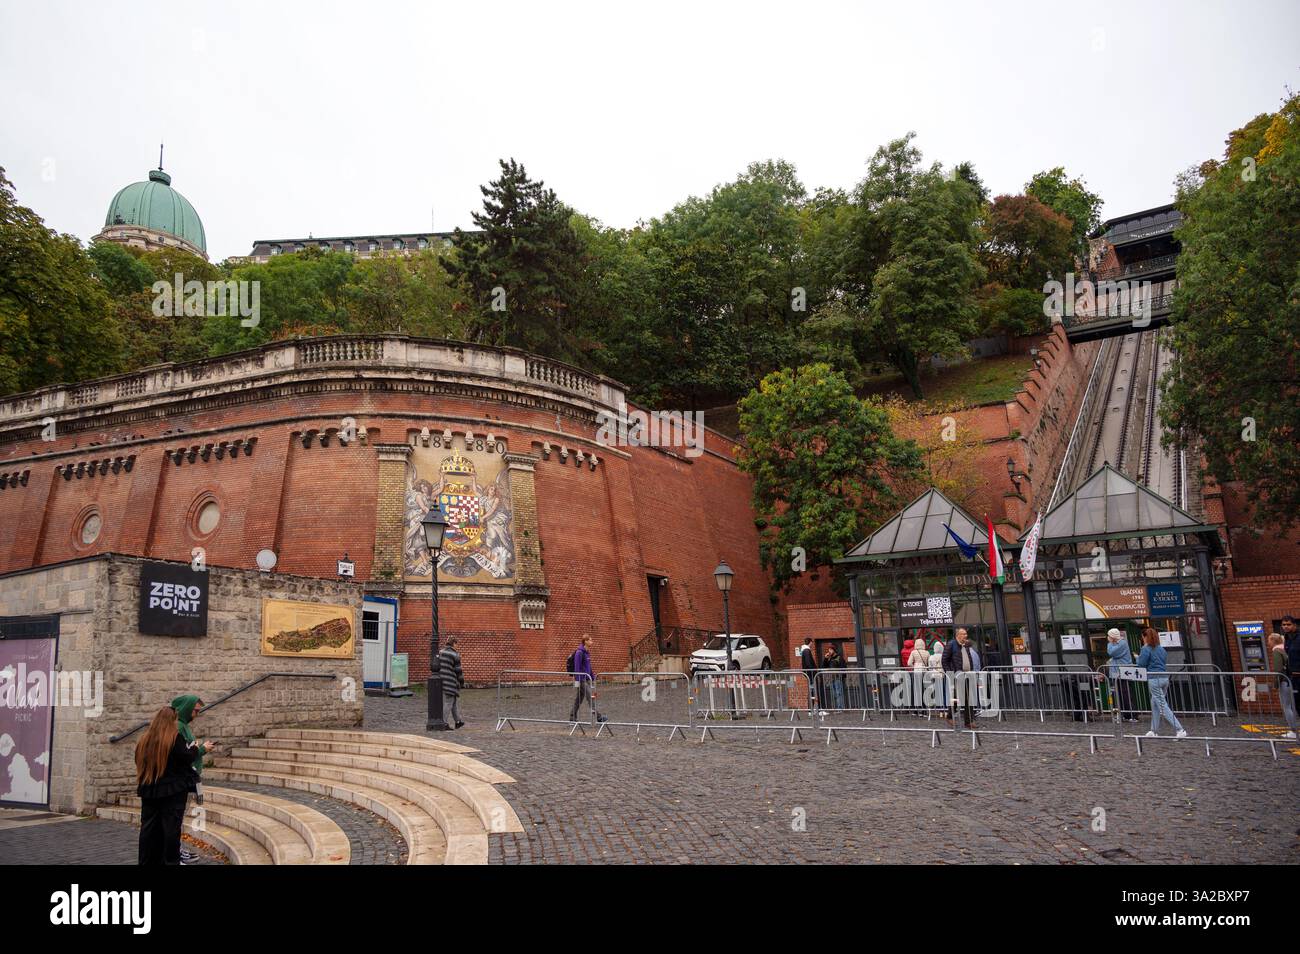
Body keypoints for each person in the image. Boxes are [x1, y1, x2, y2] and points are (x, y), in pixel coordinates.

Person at [135, 706, 210, 865]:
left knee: (149, 828)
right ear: (172, 721)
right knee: (171, 829)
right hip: (172, 791)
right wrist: (196, 748)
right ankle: (170, 861)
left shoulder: (144, 739)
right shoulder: (174, 739)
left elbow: (138, 760)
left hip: (149, 790)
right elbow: (186, 757)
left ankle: (147, 861)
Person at [171, 694, 207, 864]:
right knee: (175, 819)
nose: (197, 714)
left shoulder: (183, 726)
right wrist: (201, 750)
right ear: (186, 709)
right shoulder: (178, 727)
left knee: (178, 818)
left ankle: (176, 850)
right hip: (182, 780)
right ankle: (175, 852)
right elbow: (183, 755)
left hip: (186, 779)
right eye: (195, 710)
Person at [1136, 627, 1187, 739]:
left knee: (1162, 706)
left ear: (1145, 637)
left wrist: (1137, 658)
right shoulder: (1161, 649)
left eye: (1143, 637)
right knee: (1155, 705)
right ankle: (1153, 730)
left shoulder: (1146, 649)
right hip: (1164, 678)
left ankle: (1180, 729)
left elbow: (1141, 664)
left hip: (1154, 679)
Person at [942, 628, 982, 728]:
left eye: (966, 634)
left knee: (970, 698)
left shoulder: (966, 645)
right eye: (963, 634)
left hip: (968, 675)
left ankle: (969, 721)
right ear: (957, 635)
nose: (965, 636)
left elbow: (969, 659)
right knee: (957, 697)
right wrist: (950, 673)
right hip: (957, 675)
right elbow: (944, 660)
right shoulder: (951, 644)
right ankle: (950, 716)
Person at [568, 635, 605, 723]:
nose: (592, 642)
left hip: (587, 679)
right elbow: (577, 667)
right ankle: (598, 717)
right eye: (590, 640)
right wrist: (578, 681)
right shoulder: (579, 653)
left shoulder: (587, 652)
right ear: (585, 641)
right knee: (590, 697)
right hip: (581, 680)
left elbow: (589, 667)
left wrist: (593, 677)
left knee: (579, 699)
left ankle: (572, 716)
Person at [1268, 633, 1298, 739]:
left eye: (1269, 641)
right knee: (1293, 705)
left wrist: (1275, 684)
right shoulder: (1286, 648)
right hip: (1292, 680)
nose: (1268, 643)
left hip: (1284, 681)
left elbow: (1278, 669)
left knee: (1287, 706)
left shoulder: (1277, 651)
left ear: (1273, 641)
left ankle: (1293, 730)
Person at [1106, 628, 1138, 723]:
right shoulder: (1116, 644)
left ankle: (1131, 714)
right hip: (1116, 673)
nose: (1108, 638)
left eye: (1109, 636)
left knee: (1126, 694)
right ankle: (1123, 714)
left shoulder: (1122, 643)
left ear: (1112, 637)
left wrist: (1110, 643)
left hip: (1123, 672)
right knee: (1118, 695)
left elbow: (1111, 652)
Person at [440, 636, 466, 729]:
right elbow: (458, 671)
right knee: (448, 702)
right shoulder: (455, 655)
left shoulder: (441, 652)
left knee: (453, 701)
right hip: (450, 681)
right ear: (454, 643)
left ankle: (457, 721)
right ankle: (443, 723)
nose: (457, 646)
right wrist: (462, 683)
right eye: (457, 644)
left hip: (442, 680)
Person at [909, 638, 930, 716]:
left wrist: (915, 666)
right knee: (924, 691)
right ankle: (924, 711)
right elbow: (929, 664)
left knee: (916, 691)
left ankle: (916, 710)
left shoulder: (913, 652)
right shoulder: (927, 652)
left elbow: (909, 663)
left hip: (916, 673)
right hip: (924, 673)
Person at [800, 637, 818, 710]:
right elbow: (808, 663)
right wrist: (813, 671)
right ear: (810, 642)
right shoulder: (807, 651)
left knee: (812, 692)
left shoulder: (804, 650)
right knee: (812, 692)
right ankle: (811, 710)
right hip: (811, 675)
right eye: (812, 643)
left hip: (809, 674)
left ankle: (811, 710)